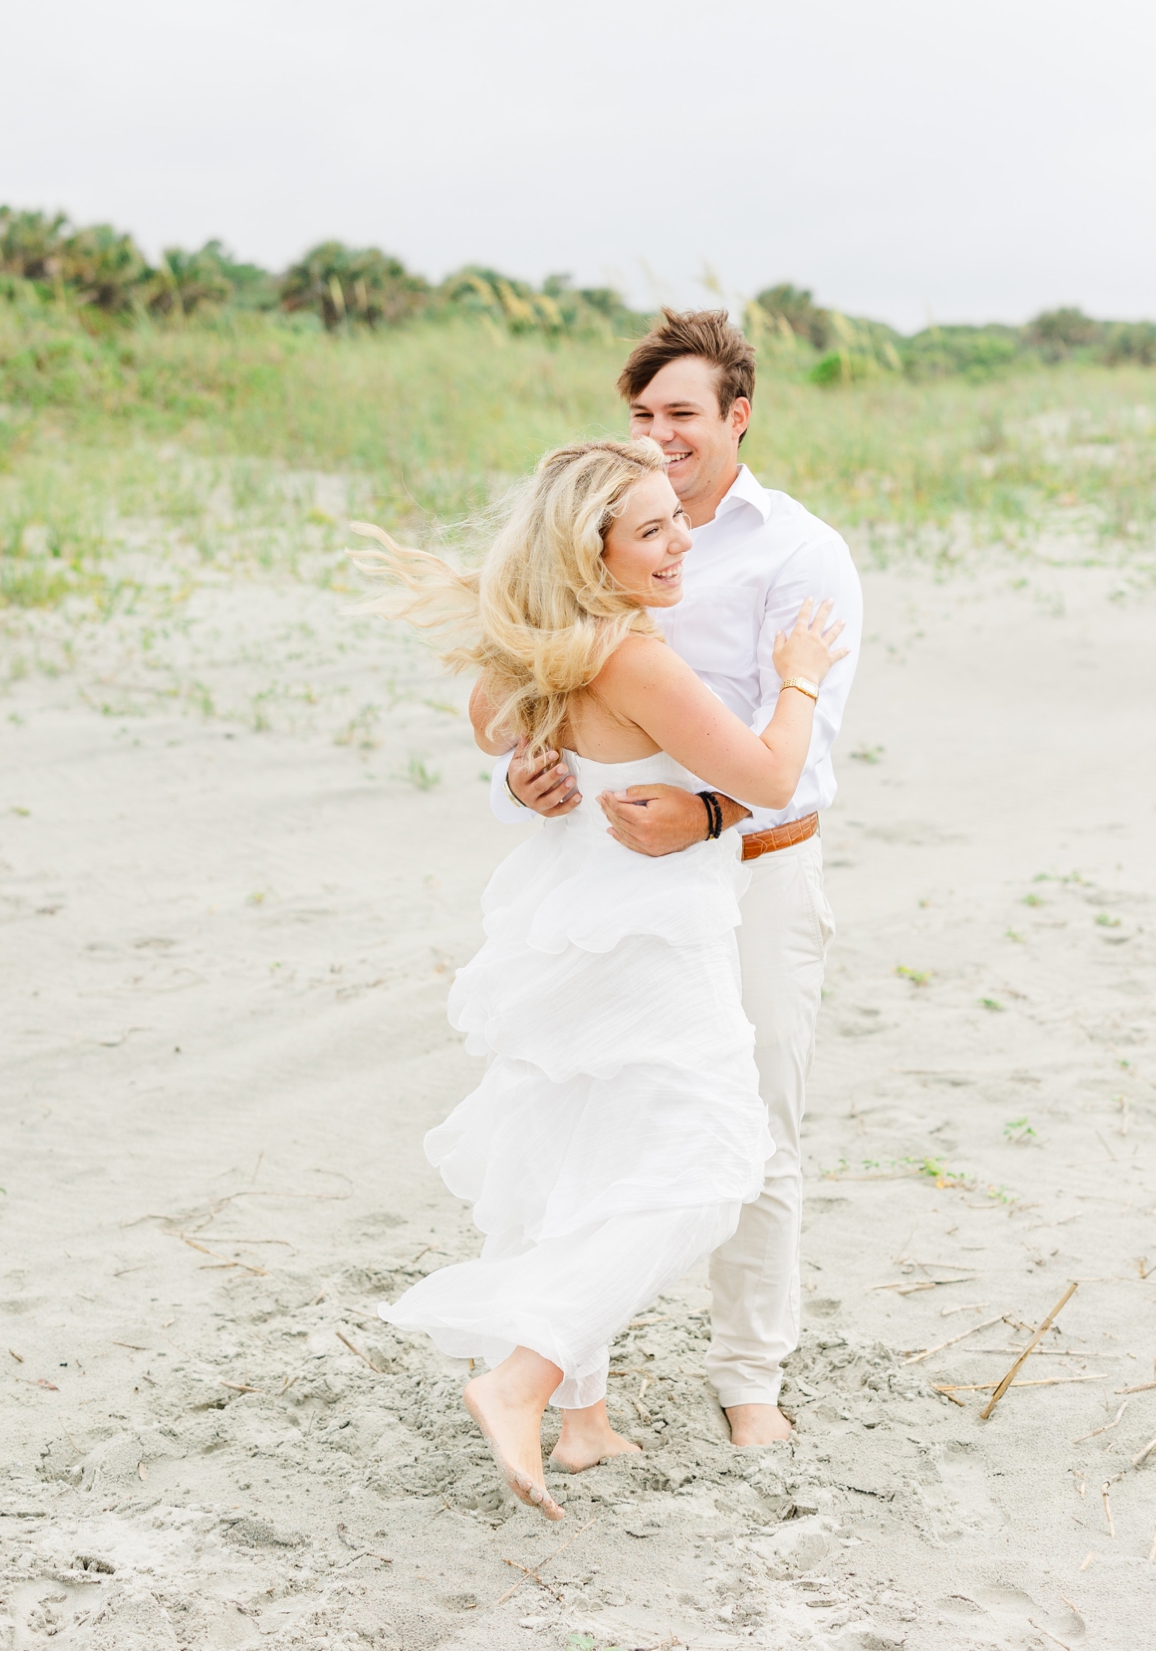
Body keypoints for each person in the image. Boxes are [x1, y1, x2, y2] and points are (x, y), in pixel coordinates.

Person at [352, 437, 848, 1520]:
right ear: (596, 550)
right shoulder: (633, 658)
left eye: (680, 519)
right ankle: (522, 1377)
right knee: (715, 1161)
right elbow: (767, 773)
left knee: (583, 1155)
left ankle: (583, 1421)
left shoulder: (528, 654)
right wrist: (799, 678)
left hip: (564, 931)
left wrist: (533, 777)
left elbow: (498, 739)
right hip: (647, 942)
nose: (680, 544)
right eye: (653, 530)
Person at [492, 309, 863, 1449]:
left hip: (754, 873)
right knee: (594, 1122)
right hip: (622, 892)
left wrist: (707, 812)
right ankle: (573, 1399)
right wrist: (525, 773)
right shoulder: (592, 534)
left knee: (757, 1131)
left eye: (682, 414)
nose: (660, 435)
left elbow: (809, 751)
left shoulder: (798, 552)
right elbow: (526, 698)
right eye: (642, 415)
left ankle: (747, 1380)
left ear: (736, 415)